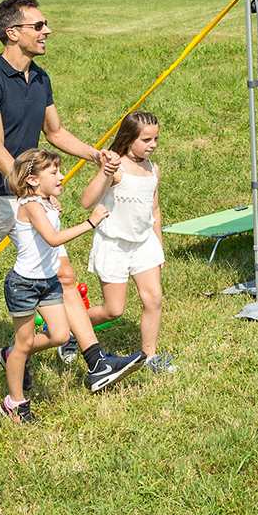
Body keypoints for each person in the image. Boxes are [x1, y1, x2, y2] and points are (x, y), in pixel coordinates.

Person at [0, 0, 120, 393]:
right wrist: (29, 185)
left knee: (64, 275)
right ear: (12, 33)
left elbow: (54, 132)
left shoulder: (41, 77)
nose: (47, 30)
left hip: (27, 194)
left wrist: (94, 153)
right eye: (39, 25)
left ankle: (95, 360)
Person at [0, 149, 145, 421]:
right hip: (24, 286)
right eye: (53, 173)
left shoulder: (48, 202)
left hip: (48, 282)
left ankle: (11, 354)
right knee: (24, 342)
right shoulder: (30, 205)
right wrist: (90, 223)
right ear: (32, 180)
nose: (62, 176)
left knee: (61, 336)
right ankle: (15, 402)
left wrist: (53, 204)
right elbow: (53, 239)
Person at [79, 111, 174, 372]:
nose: (152, 144)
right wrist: (105, 172)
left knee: (153, 298)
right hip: (114, 246)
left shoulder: (153, 169)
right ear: (128, 138)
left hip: (144, 244)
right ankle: (69, 330)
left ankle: (150, 358)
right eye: (146, 140)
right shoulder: (116, 166)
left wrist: (159, 247)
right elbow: (87, 201)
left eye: (156, 138)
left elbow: (154, 210)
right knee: (113, 310)